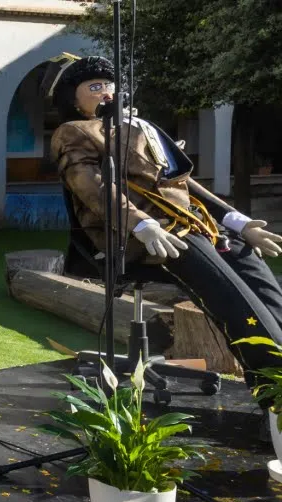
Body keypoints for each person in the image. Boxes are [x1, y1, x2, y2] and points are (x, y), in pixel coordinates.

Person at [47, 53, 282, 381]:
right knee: (231, 297)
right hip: (135, 235)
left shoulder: (139, 126)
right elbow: (93, 188)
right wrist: (141, 224)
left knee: (259, 278)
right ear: (72, 97)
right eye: (95, 86)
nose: (107, 92)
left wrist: (237, 222)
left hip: (190, 225)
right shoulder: (75, 132)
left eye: (111, 85)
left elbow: (183, 184)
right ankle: (273, 389)